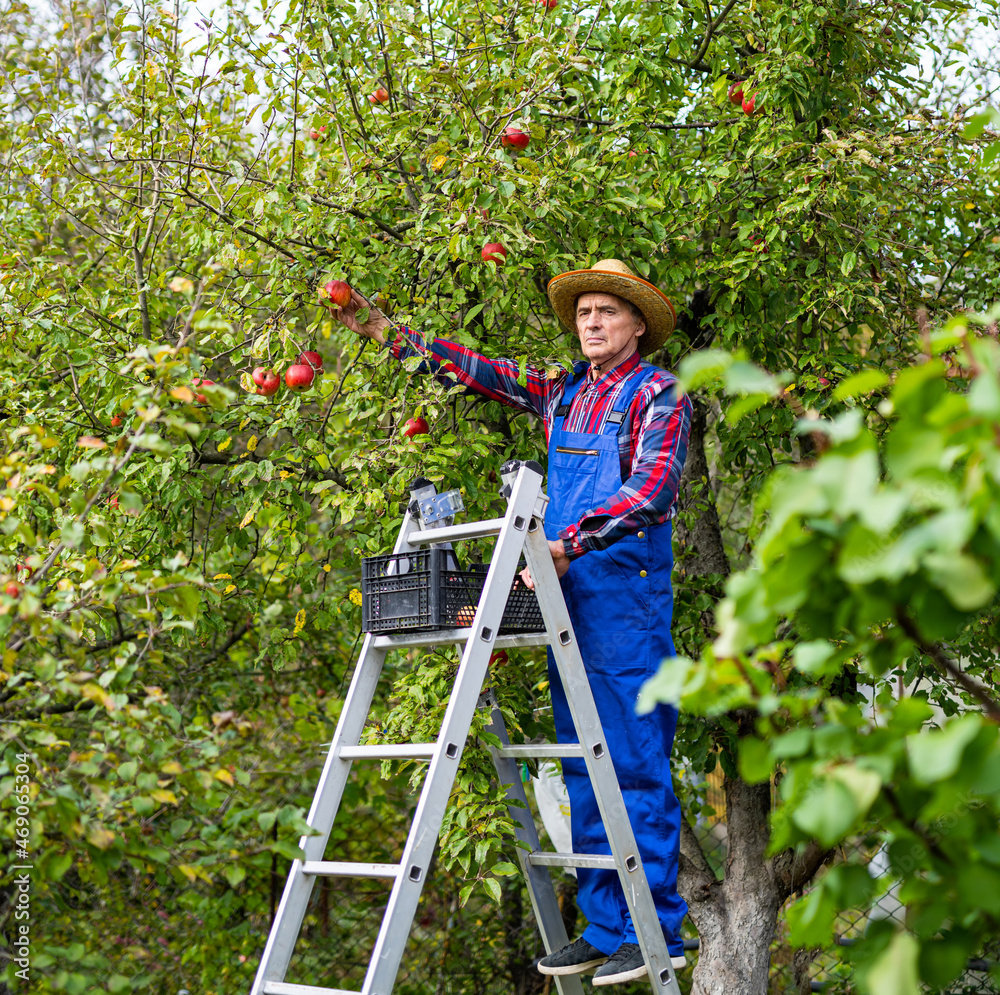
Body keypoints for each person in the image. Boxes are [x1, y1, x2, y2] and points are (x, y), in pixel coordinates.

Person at [335, 259, 692, 987]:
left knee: (634, 761)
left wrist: (572, 541)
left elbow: (653, 489)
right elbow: (481, 371)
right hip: (567, 599)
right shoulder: (563, 392)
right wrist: (382, 331)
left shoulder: (659, 393)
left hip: (623, 600)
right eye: (585, 312)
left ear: (637, 326)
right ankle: (602, 928)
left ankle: (653, 927)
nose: (592, 322)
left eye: (608, 313)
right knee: (582, 761)